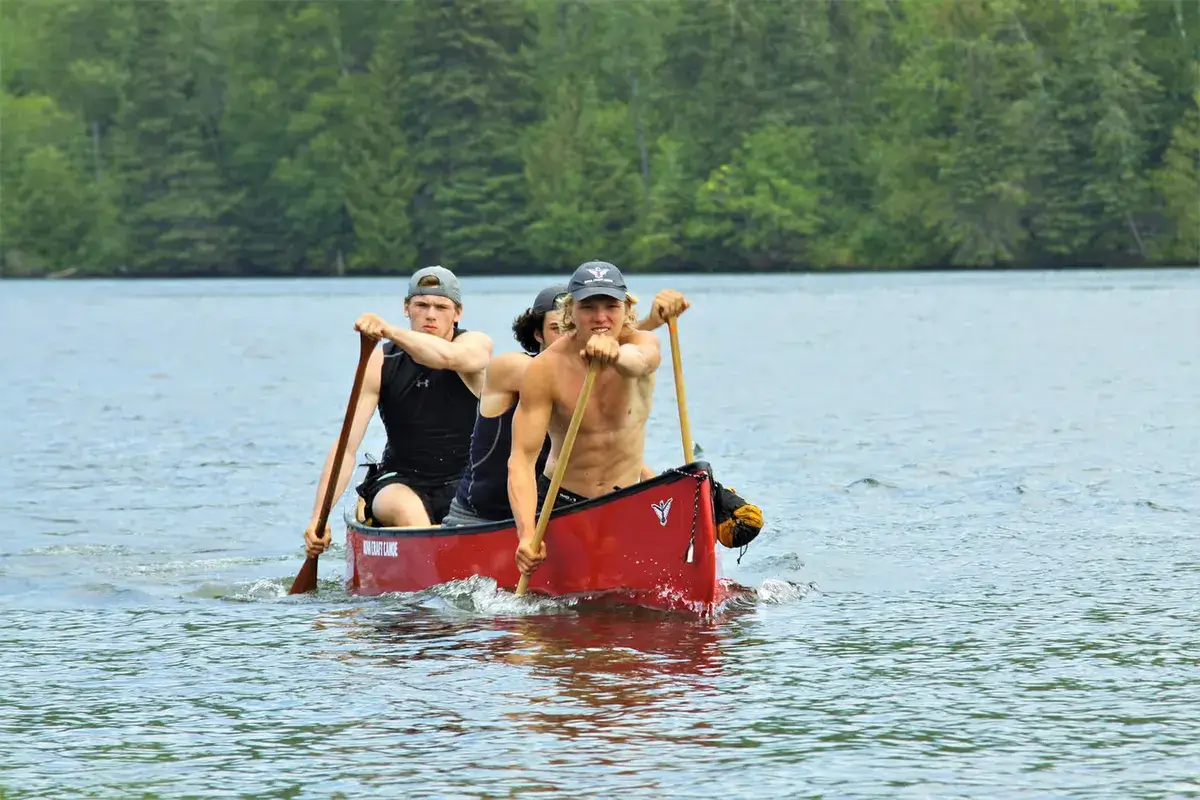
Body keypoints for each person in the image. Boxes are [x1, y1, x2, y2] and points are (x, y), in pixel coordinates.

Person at [441, 283, 692, 527]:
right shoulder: (522, 367)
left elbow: (625, 359)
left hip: (561, 504)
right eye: (557, 328)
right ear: (541, 332)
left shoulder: (599, 363)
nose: (569, 335)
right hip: (481, 515)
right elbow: (573, 366)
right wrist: (641, 326)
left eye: (609, 308)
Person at [507, 260, 689, 576]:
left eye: (611, 306)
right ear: (570, 312)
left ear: (626, 309)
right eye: (589, 307)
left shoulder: (642, 343)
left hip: (627, 498)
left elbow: (639, 362)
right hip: (563, 501)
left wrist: (614, 354)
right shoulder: (544, 368)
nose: (601, 317)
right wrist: (526, 534)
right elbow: (521, 460)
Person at [303, 266, 493, 558]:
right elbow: (347, 448)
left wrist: (388, 330)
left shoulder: (475, 344)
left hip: (465, 479)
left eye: (441, 307)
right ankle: (429, 567)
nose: (430, 315)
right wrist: (319, 517)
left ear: (458, 313)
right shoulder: (380, 362)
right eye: (421, 305)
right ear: (407, 308)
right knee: (409, 515)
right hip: (399, 480)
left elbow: (447, 357)